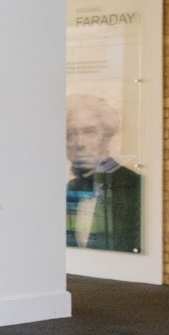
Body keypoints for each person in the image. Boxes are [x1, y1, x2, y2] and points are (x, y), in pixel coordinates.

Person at [65, 93, 141, 252]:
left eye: (89, 132)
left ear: (107, 136)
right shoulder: (69, 189)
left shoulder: (136, 186)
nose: (80, 143)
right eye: (70, 135)